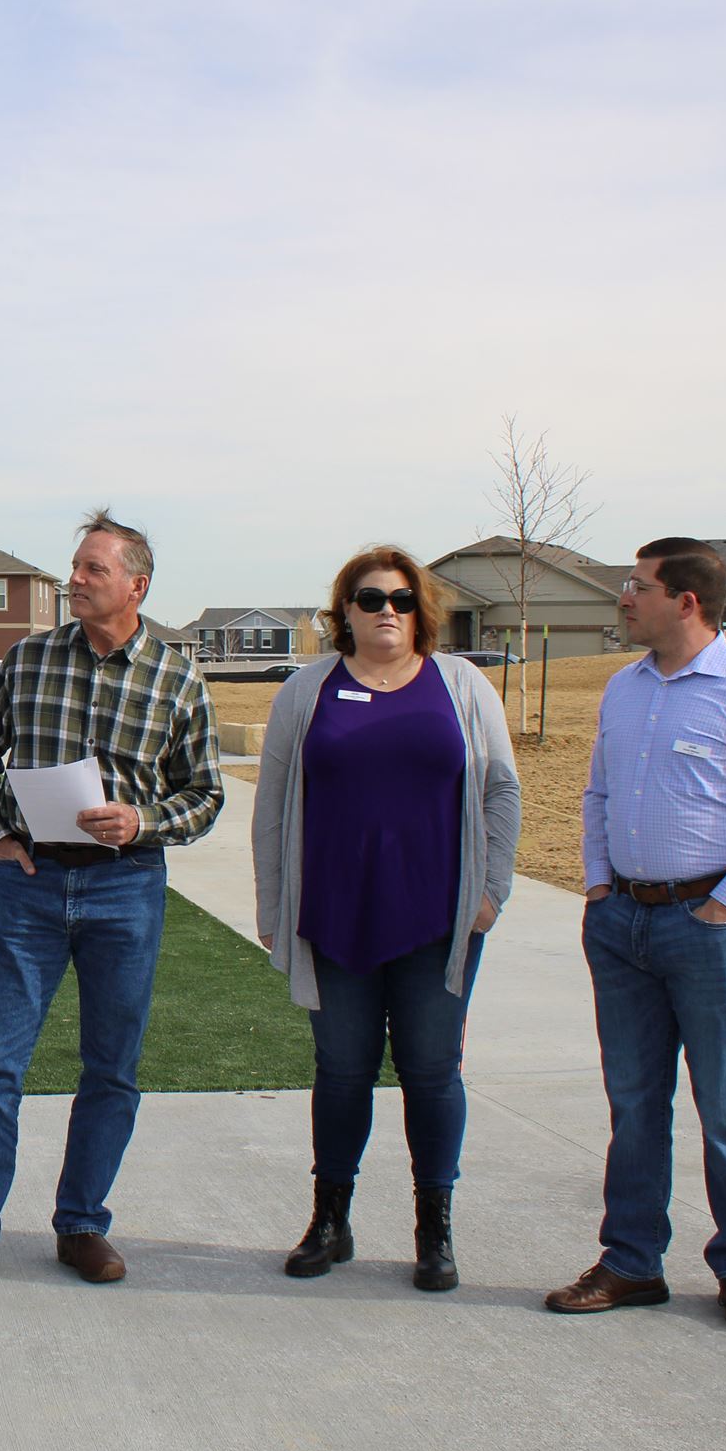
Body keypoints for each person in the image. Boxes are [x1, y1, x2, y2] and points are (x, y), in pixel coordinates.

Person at [0, 509, 224, 1291]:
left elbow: (205, 793)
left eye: (93, 569)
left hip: (127, 886)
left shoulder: (177, 676)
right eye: (76, 566)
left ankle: (83, 1223)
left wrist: (144, 819)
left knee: (112, 1066)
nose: (75, 580)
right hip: (29, 884)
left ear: (136, 584)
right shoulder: (29, 660)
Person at [546, 537, 726, 1332]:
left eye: (638, 586)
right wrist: (600, 886)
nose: (624, 599)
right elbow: (598, 793)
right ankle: (631, 1261)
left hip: (710, 931)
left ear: (686, 601)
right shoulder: (624, 690)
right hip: (622, 923)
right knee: (634, 1101)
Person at [252, 546, 521, 1291]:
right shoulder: (307, 691)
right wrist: (273, 903)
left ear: (421, 609)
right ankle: (329, 1220)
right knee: (341, 1072)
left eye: (402, 600)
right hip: (335, 916)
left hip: (438, 920)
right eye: (371, 600)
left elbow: (502, 789)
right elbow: (272, 804)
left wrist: (492, 889)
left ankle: (434, 1230)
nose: (387, 613)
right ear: (345, 612)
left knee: (433, 1073)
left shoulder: (461, 685)